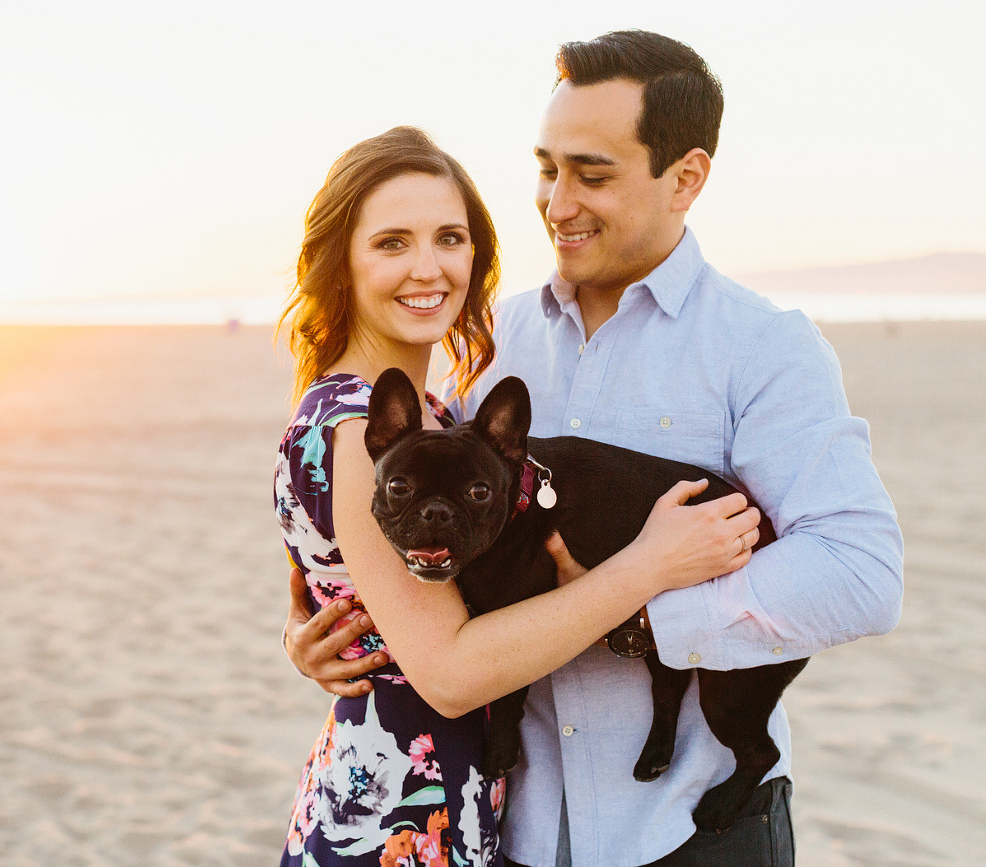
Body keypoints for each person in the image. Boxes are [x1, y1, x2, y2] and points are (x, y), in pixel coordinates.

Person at [285, 31, 904, 867]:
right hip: (516, 829)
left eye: (593, 173)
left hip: (695, 829)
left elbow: (861, 574)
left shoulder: (763, 345)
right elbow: (415, 518)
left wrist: (651, 616)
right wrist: (331, 631)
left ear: (685, 177)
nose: (556, 201)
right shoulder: (487, 342)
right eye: (546, 167)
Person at [275, 124, 764, 866]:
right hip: (397, 821)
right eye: (391, 243)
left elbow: (346, 585)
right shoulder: (355, 426)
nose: (428, 267)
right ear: (338, 261)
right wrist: (646, 565)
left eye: (449, 236)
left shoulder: (427, 414)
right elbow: (448, 671)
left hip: (434, 799)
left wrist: (306, 632)